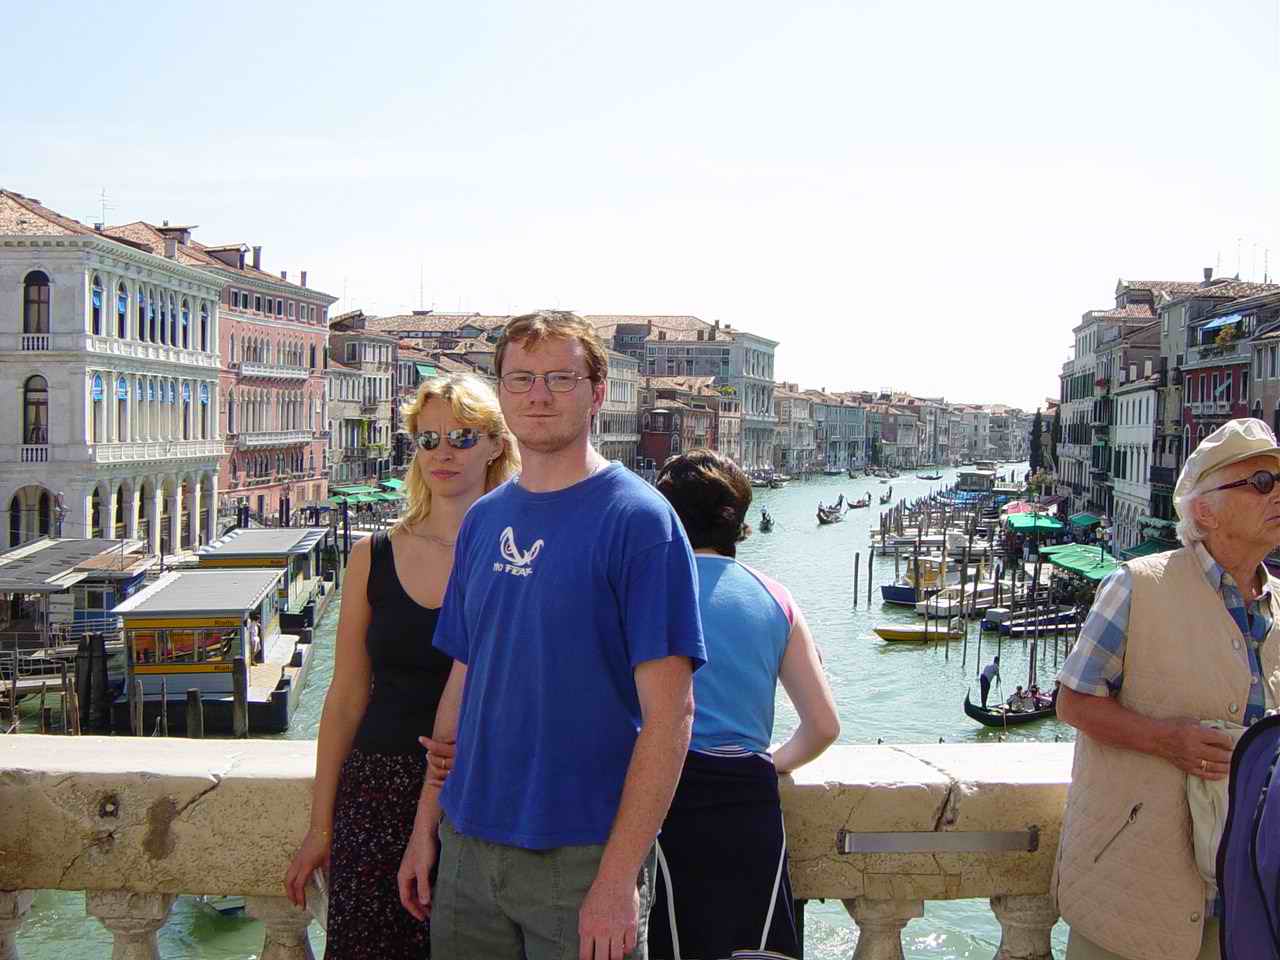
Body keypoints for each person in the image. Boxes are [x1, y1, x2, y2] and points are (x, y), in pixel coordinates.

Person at [397, 310, 707, 960]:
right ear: (503, 392)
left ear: (597, 393)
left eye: (560, 378)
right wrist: (426, 824)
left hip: (583, 856)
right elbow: (465, 676)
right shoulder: (484, 520)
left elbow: (672, 715)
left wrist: (618, 879)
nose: (538, 395)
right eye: (522, 378)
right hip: (468, 846)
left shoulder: (641, 522)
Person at [284, 374, 517, 958]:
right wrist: (321, 826)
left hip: (479, 792)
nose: (443, 453)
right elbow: (345, 697)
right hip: (376, 790)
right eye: (428, 438)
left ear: (495, 445)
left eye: (462, 438)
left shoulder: (515, 559)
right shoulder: (373, 555)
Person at [1053, 419, 1280, 960]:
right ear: (1205, 511)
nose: (1278, 494)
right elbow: (1072, 701)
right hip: (1135, 894)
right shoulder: (1137, 586)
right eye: (1261, 483)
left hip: (1250, 903)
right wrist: (1164, 739)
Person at [648, 449, 840, 959]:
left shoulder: (642, 592)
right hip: (749, 802)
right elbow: (823, 726)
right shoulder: (777, 598)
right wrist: (768, 762)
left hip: (663, 797)